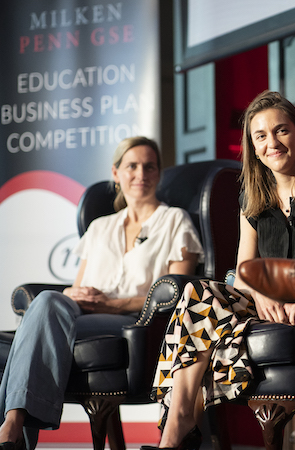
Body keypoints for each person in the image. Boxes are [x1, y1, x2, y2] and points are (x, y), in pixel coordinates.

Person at [149, 90, 295, 450]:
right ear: (253, 147)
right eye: (260, 136)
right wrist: (261, 291)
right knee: (197, 293)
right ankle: (177, 425)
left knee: (209, 328)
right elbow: (243, 269)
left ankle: (181, 422)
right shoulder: (252, 198)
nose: (272, 143)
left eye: (281, 131)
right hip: (266, 304)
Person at [0, 136, 204, 450]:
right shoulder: (100, 227)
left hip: (133, 319)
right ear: (115, 172)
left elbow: (180, 296)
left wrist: (112, 303)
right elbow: (76, 285)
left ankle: (12, 427)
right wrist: (74, 293)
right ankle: (13, 425)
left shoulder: (175, 221)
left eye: (149, 167)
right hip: (82, 314)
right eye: (132, 166)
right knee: (47, 301)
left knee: (36, 324)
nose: (141, 174)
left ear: (159, 174)